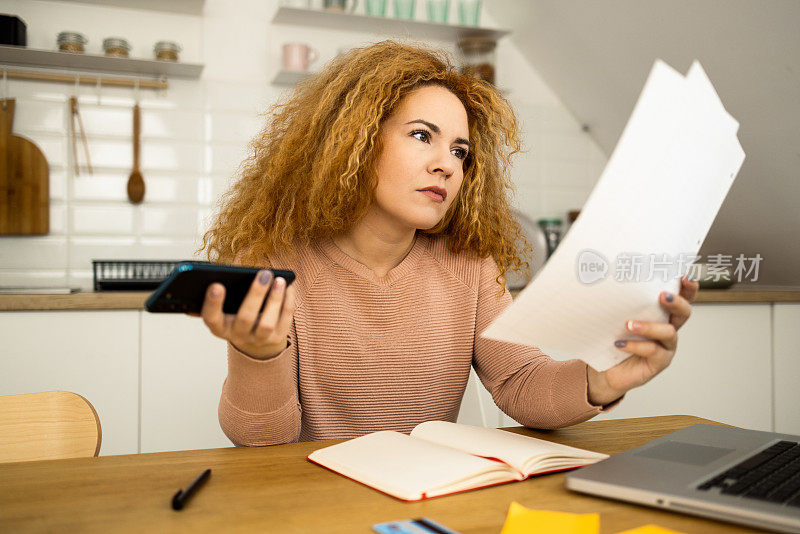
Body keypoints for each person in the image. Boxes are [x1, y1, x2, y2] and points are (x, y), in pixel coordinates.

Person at [198, 41, 698, 446]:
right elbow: (261, 440)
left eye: (460, 150)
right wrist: (256, 355)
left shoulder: (469, 265)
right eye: (422, 136)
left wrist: (602, 379)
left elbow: (519, 380)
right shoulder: (275, 262)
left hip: (428, 499)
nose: (447, 164)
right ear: (353, 139)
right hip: (313, 506)